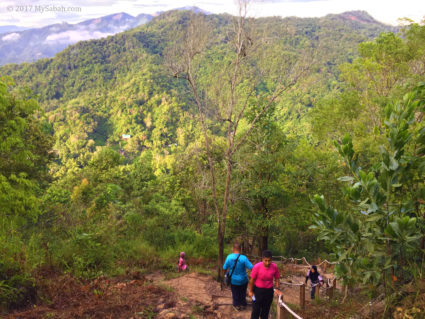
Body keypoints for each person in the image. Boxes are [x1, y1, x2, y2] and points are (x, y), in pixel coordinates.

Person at [248, 250, 281, 319]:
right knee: (255, 310)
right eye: (265, 260)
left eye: (269, 260)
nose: (267, 262)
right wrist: (251, 291)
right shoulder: (257, 267)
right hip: (257, 291)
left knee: (266, 310)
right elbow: (252, 280)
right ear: (262, 259)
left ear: (271, 259)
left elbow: (277, 277)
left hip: (269, 291)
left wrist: (277, 288)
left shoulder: (274, 266)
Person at [223, 242, 253, 311]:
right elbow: (252, 267)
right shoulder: (244, 258)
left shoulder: (229, 257)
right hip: (243, 280)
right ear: (240, 249)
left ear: (233, 249)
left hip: (233, 280)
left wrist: (225, 275)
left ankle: (236, 305)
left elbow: (224, 268)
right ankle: (243, 304)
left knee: (235, 292)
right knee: (243, 292)